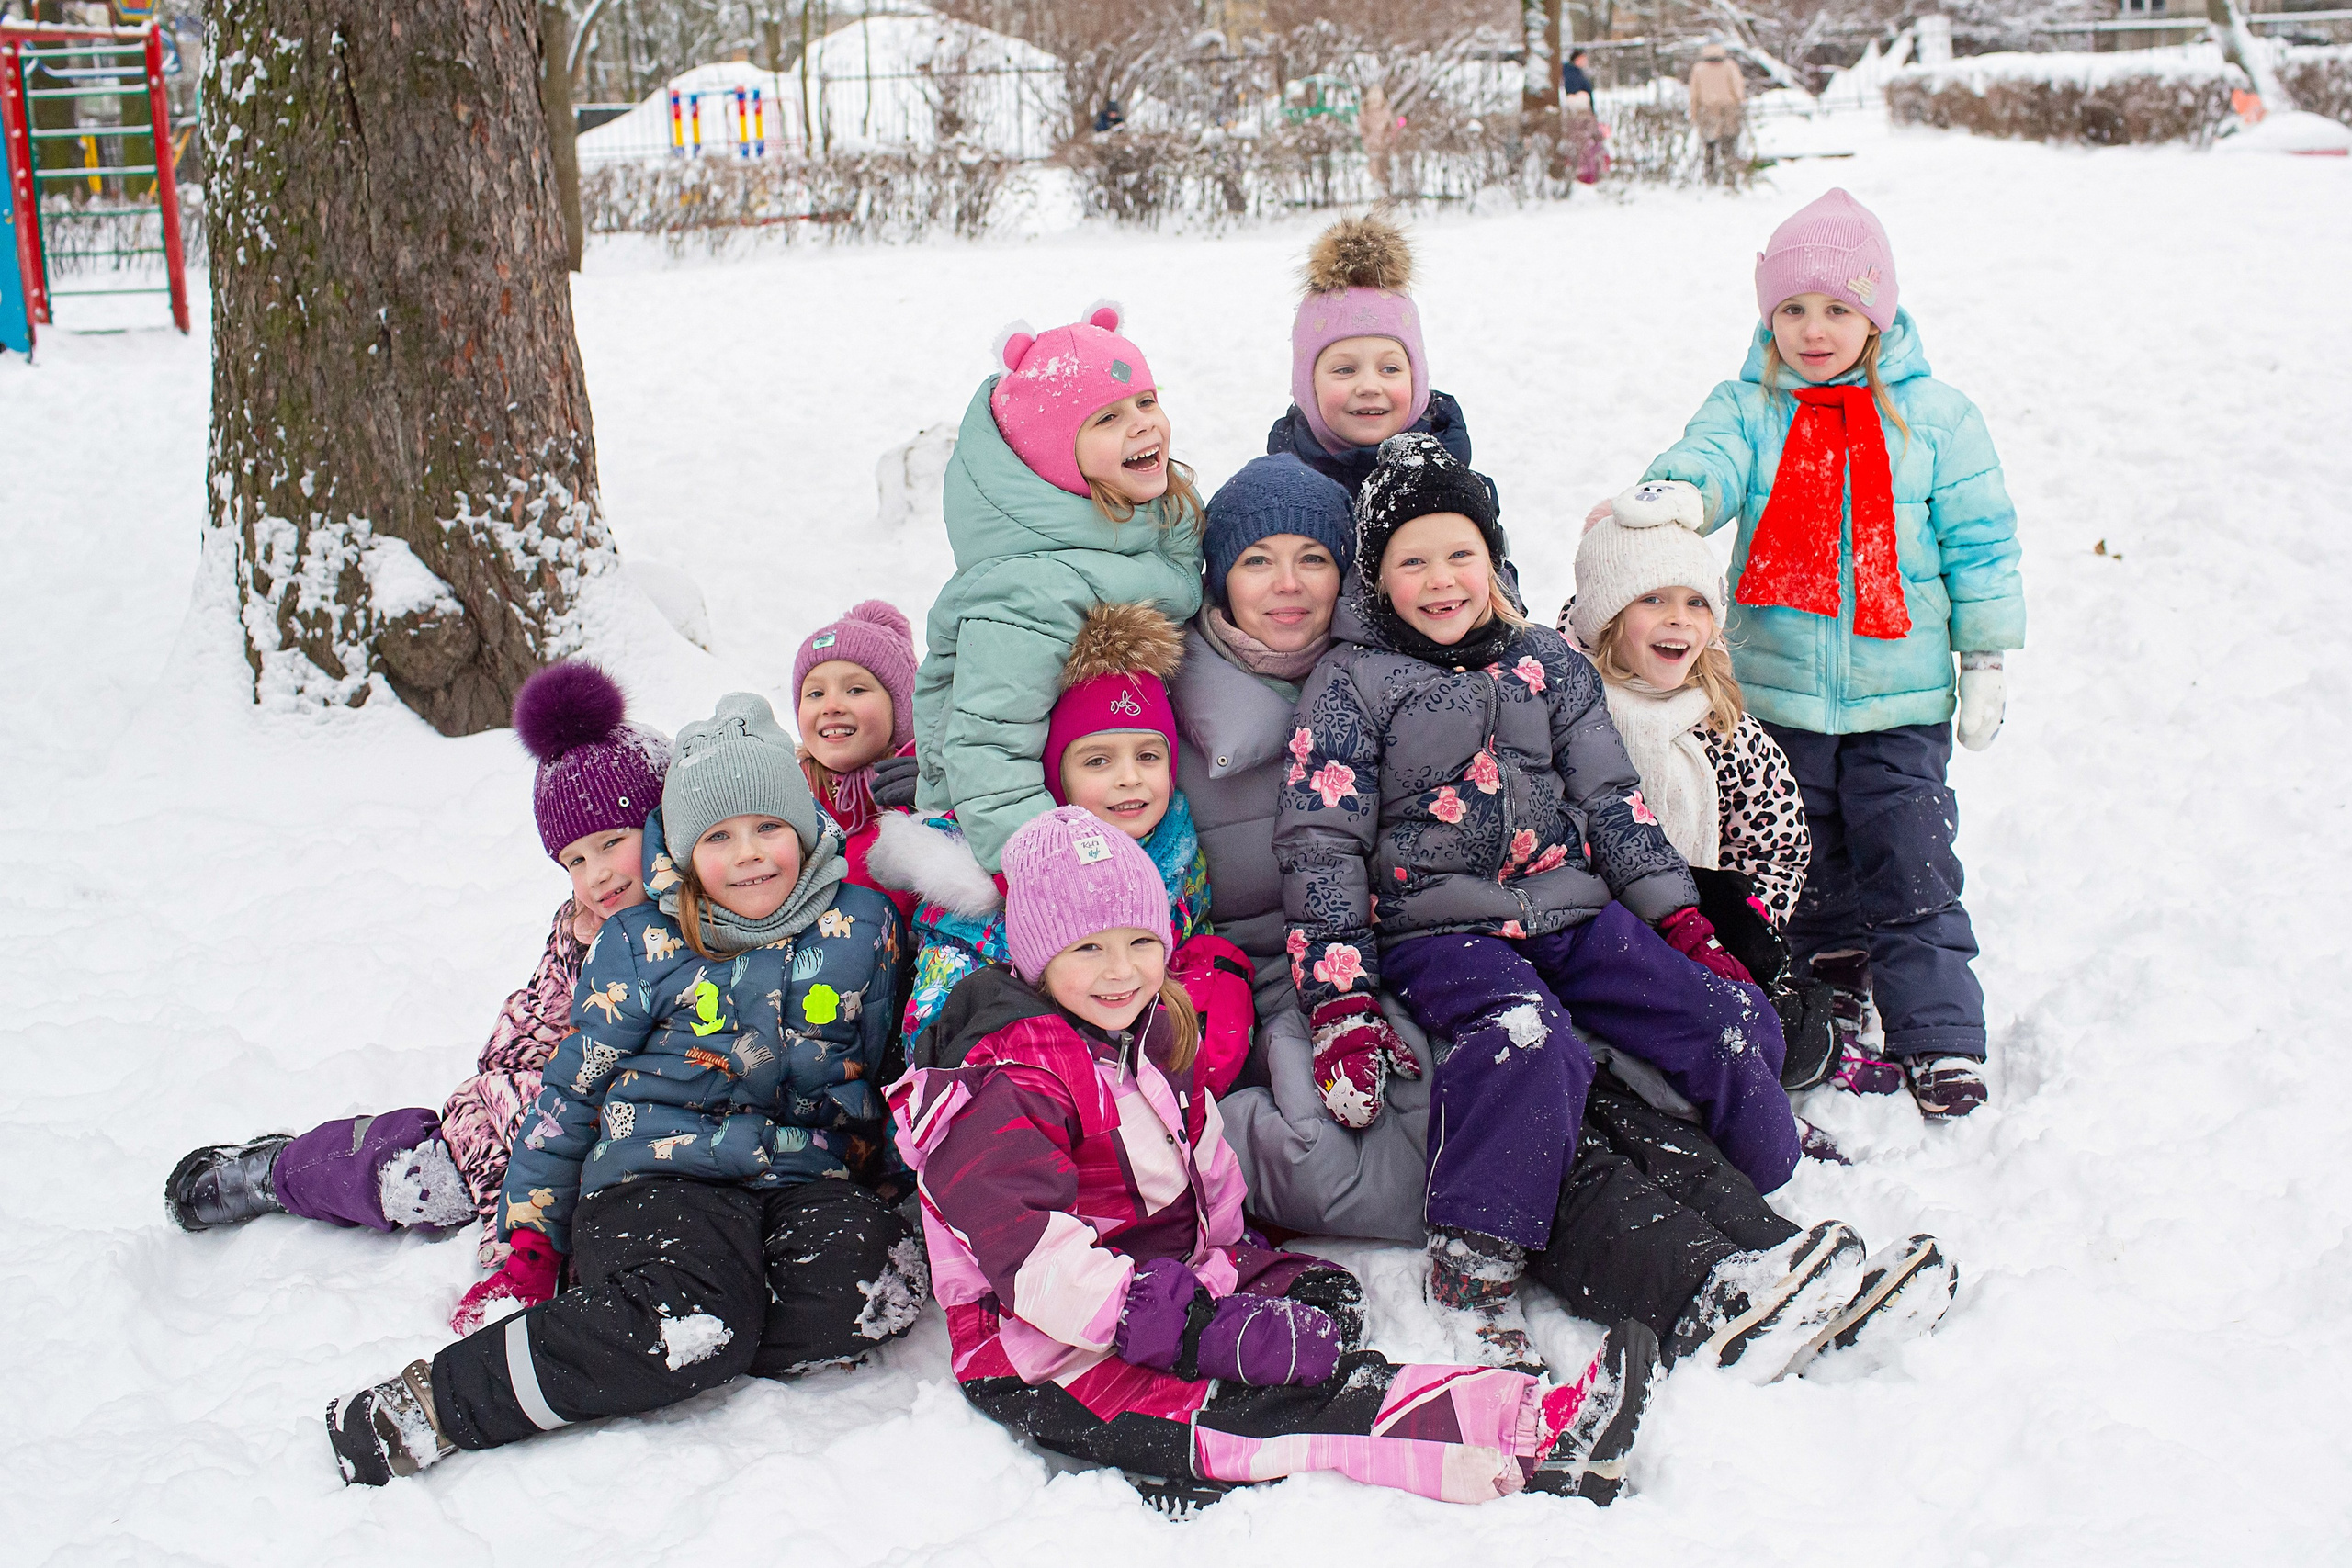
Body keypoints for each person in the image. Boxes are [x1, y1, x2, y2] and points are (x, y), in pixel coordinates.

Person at [888, 805, 1661, 1510]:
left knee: (1323, 1302)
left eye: (1139, 942)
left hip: (1159, 1273)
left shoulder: (1137, 1032)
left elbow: (1201, 1156)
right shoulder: (1005, 1079)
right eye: (1088, 948)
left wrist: (1228, 1263)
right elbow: (1032, 1264)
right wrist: (1199, 1331)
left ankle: (1209, 1374)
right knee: (1292, 1405)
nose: (1121, 970)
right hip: (1048, 1345)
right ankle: (1533, 1438)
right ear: (1036, 954)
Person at [1277, 432, 1799, 1364]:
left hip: (1572, 908)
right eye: (1412, 561)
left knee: (1721, 1016)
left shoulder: (1545, 665)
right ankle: (1473, 1254)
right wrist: (1340, 1002)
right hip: (1439, 929)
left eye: (1459, 554)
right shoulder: (1349, 684)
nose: (1441, 580)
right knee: (1526, 1037)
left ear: (1491, 560)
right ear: (1376, 577)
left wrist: (1681, 923)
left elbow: (1611, 801)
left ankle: (1759, 1182)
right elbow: (1321, 844)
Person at [324, 694, 924, 1485]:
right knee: (700, 1309)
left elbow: (879, 1063)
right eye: (718, 836)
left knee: (881, 1276)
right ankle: (441, 1400)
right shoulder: (643, 939)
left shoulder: (865, 926)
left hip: (800, 1174)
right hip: (659, 1175)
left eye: (768, 827)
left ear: (806, 827)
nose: (747, 854)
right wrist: (529, 1241)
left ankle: (666, 1330)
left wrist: (884, 1183)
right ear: (681, 847)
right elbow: (570, 1095)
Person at [1623, 189, 2024, 1121]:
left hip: (1903, 699)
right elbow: (1708, 458)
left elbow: (1981, 544)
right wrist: (1678, 494)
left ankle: (1938, 1031)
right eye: (1791, 309)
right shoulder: (1749, 406)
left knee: (1912, 860)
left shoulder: (1937, 419)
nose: (1812, 329)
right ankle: (1823, 979)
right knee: (1791, 859)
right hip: (1776, 692)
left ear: (1877, 315)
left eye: (1838, 309)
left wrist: (1987, 658)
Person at [163, 662, 669, 1288]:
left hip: (635, 1161)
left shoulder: (717, 925)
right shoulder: (582, 934)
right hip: (522, 1134)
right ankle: (281, 1171)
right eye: (574, 859)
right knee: (410, 1177)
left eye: (612, 841)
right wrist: (534, 1119)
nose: (596, 875)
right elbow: (512, 1050)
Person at [1562, 482, 1904, 1100]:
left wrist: (1749, 921)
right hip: (1595, 927)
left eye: (1696, 602)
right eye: (1654, 598)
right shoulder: (1561, 707)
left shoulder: (1721, 726)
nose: (1679, 618)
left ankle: (1805, 1059)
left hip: (1705, 929)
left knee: (1773, 1022)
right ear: (1606, 614)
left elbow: (1776, 839)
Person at [910, 304, 1204, 878]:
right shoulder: (1032, 589)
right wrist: (1062, 882)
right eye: (1107, 419)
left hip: (1115, 823)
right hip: (1019, 866)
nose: (1143, 424)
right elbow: (990, 754)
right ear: (1056, 461)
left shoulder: (1150, 527)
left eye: (1146, 401)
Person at [877, 601, 1214, 1047]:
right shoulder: (982, 877)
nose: (1130, 777)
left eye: (1149, 756)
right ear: (1056, 775)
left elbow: (1192, 954)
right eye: (1097, 760)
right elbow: (938, 1034)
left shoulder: (1176, 851)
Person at [1265, 211, 1493, 513]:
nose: (1370, 386)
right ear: (1307, 387)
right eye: (1345, 369)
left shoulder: (1457, 493)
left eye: (1390, 369)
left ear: (1417, 378)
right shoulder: (1277, 493)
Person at [794, 598, 922, 924]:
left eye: (855, 690)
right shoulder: (789, 792)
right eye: (815, 694)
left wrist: (939, 799)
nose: (831, 706)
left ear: (900, 709)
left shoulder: (930, 783)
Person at [1688, 40, 1746, 185]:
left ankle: (1710, 177)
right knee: (1729, 146)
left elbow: (1694, 95)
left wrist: (1694, 114)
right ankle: (1730, 178)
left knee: (1709, 146)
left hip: (1708, 111)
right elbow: (1738, 89)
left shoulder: (1699, 68)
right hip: (1728, 111)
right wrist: (1739, 105)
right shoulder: (1730, 66)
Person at [1561, 48, 1596, 114]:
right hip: (1580, 111)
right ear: (1577, 59)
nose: (1585, 61)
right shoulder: (1571, 73)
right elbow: (1574, 93)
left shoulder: (1577, 72)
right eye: (1583, 58)